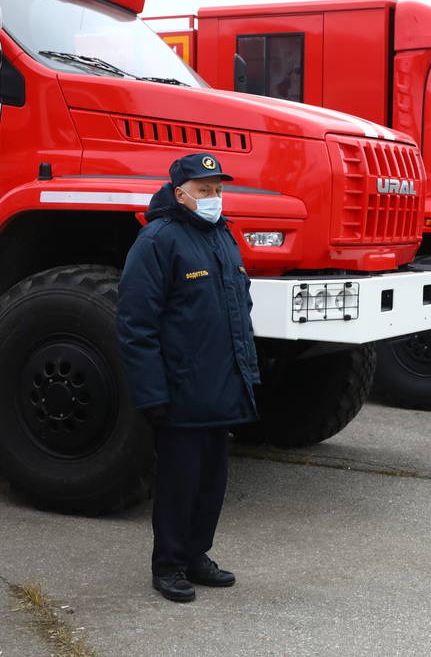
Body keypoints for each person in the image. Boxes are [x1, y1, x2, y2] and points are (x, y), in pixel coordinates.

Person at [117, 153, 260, 603]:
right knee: (179, 483)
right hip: (180, 392)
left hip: (219, 389)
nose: (213, 197)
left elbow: (241, 310)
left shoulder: (222, 236)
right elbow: (136, 325)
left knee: (211, 482)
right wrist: (153, 392)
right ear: (180, 194)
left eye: (218, 189)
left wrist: (247, 376)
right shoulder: (158, 240)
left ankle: (197, 555)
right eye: (203, 190)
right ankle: (169, 565)